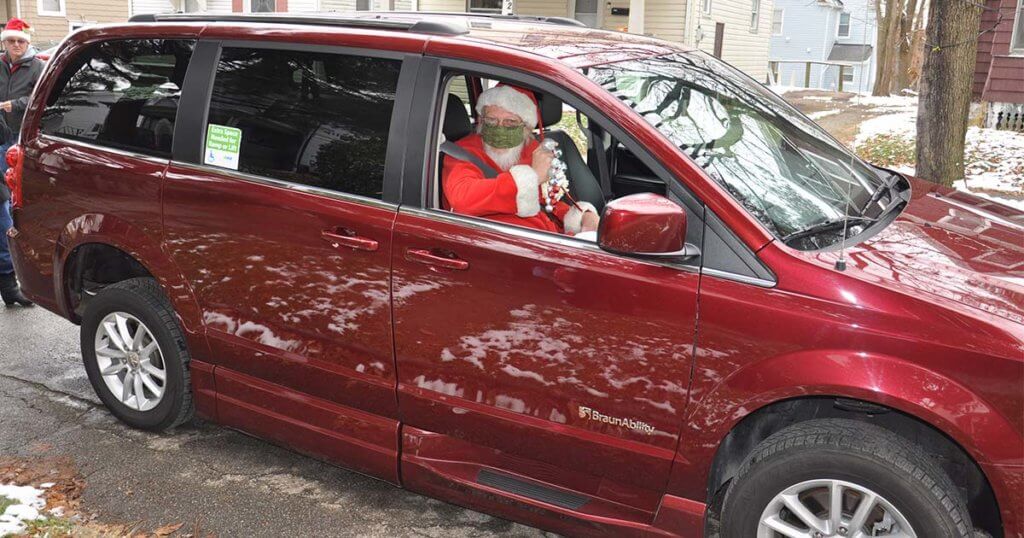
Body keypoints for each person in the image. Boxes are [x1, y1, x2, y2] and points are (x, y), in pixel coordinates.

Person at [442, 85, 599, 236]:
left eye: (510, 122)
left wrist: (581, 216)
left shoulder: (532, 149)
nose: (499, 128)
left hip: (547, 235)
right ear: (481, 121)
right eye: (491, 120)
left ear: (527, 127)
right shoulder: (463, 152)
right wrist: (531, 176)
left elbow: (548, 200)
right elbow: (462, 199)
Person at [0, 17, 43, 307]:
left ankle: (13, 276)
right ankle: (8, 277)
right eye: (11, 40)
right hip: (0, 135)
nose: (15, 45)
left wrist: (14, 105)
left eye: (20, 41)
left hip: (20, 137)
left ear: (27, 43)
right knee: (3, 200)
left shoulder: (37, 66)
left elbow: (41, 99)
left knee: (13, 200)